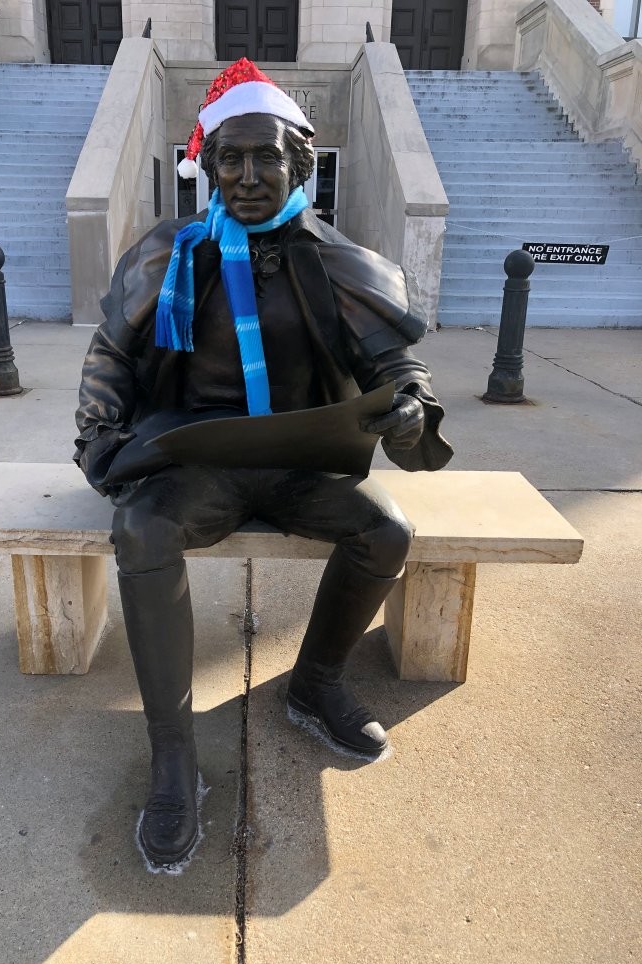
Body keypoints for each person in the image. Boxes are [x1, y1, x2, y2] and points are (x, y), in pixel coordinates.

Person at [75, 58, 452, 868]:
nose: (248, 175)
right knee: (141, 531)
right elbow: (111, 350)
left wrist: (411, 406)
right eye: (232, 158)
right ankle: (172, 753)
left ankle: (315, 683)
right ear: (208, 166)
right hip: (196, 462)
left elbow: (395, 362)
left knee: (385, 532)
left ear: (298, 166)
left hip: (300, 460)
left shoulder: (333, 258)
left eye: (266, 158)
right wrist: (98, 429)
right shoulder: (170, 253)